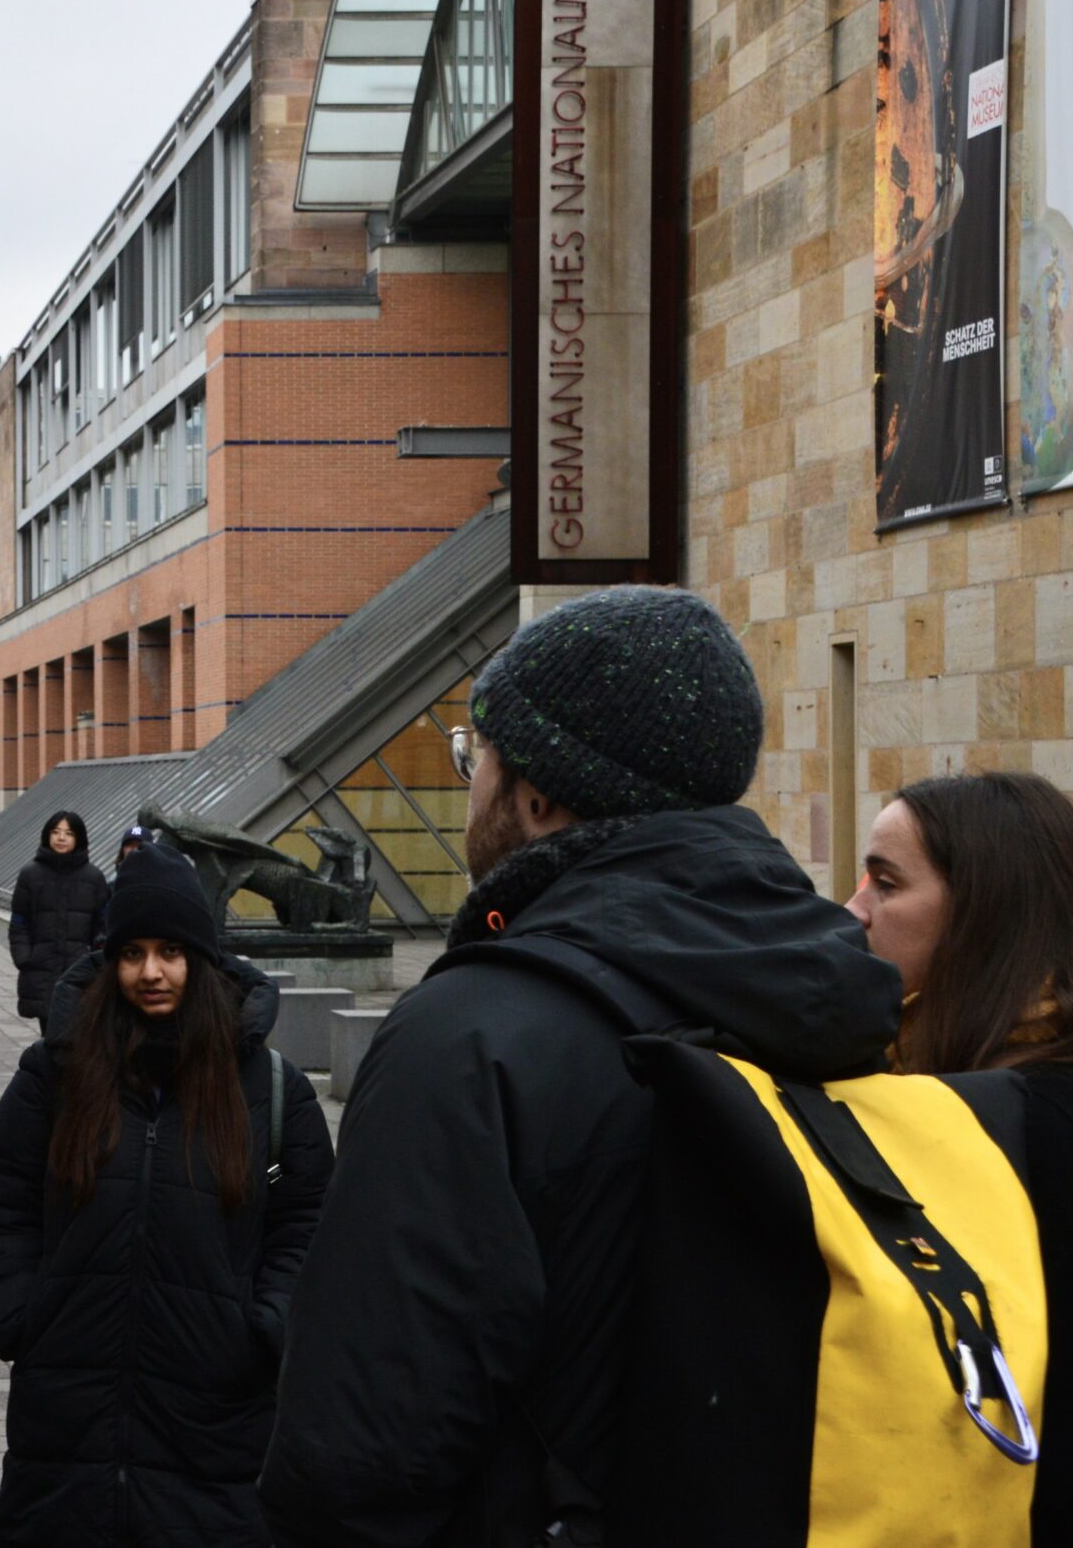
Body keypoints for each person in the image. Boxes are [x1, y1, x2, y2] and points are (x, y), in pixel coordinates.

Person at [259, 585, 899, 1545]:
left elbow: (363, 1452)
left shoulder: (470, 1040)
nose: (470, 783)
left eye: (479, 756)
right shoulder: (838, 997)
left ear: (539, 790)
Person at [0, 845, 332, 1545]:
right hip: (67, 1421)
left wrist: (265, 1326)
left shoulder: (269, 1085)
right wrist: (21, 1311)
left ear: (202, 958)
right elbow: (5, 1199)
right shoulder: (57, 1073)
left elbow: (311, 1220)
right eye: (131, 953)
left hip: (214, 1423)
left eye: (171, 951)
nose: (151, 973)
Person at [846, 771, 1073, 1540]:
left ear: (988, 917)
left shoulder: (1056, 1129)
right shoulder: (960, 1083)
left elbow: (1043, 1437)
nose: (853, 909)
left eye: (885, 883)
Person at [6, 810, 110, 1022]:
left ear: (79, 838)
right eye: (56, 832)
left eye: (69, 833)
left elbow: (104, 924)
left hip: (81, 971)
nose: (61, 838)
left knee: (79, 1036)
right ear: (47, 835)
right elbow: (19, 922)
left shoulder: (94, 877)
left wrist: (95, 953)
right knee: (48, 1037)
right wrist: (24, 957)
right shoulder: (30, 875)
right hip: (41, 970)